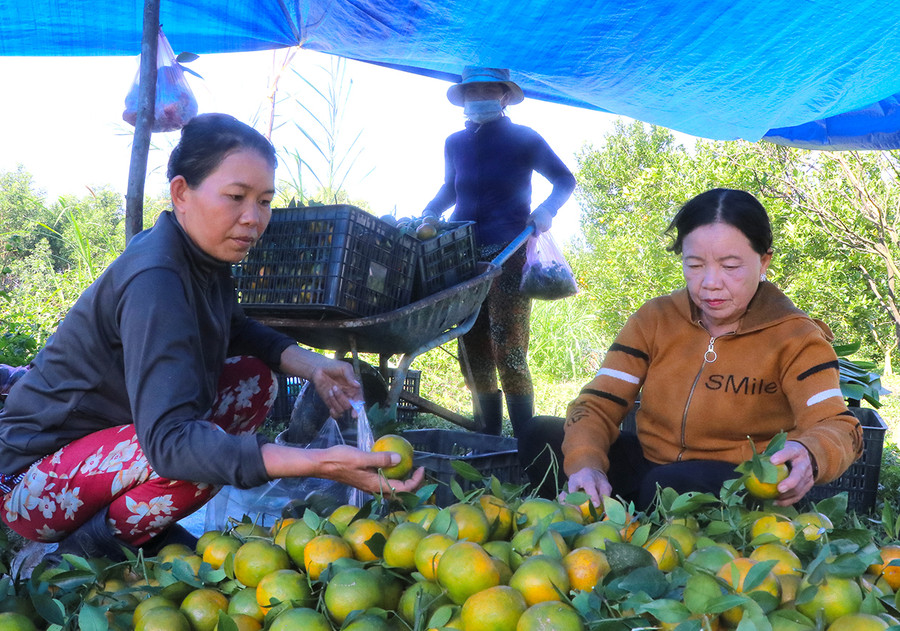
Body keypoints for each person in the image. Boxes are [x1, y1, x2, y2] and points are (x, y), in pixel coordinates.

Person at [0, 113, 424, 562]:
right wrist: (321, 462)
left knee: (254, 381)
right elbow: (170, 443)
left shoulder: (201, 257)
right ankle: (90, 545)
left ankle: (126, 523)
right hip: (33, 480)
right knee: (200, 460)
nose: (253, 218)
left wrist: (313, 366)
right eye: (236, 197)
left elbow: (236, 328)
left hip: (112, 442)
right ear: (182, 193)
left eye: (264, 201)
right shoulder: (156, 278)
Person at [518, 188, 863, 509]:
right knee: (540, 436)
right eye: (695, 265)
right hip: (651, 464)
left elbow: (839, 425)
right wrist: (585, 464)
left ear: (764, 262)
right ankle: (604, 511)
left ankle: (638, 516)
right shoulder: (654, 319)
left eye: (730, 266)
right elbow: (598, 403)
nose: (710, 282)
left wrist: (810, 453)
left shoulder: (796, 337)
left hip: (737, 481)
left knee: (669, 485)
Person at [422, 66, 576, 436]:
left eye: (487, 91)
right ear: (463, 98)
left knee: (508, 349)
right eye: (471, 93)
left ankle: (526, 442)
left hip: (510, 250)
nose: (479, 99)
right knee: (472, 349)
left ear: (504, 96)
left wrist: (546, 210)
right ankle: (486, 437)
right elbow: (450, 189)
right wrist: (429, 211)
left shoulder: (525, 139)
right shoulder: (454, 143)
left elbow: (564, 180)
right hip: (463, 254)